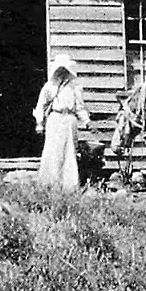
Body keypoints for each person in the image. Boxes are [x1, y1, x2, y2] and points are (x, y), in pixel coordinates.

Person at [33, 54, 90, 191]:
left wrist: (87, 121)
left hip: (69, 119)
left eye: (65, 70)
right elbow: (41, 105)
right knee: (53, 152)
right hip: (55, 119)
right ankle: (51, 184)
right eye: (60, 69)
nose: (62, 73)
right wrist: (40, 123)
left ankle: (69, 185)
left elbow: (80, 107)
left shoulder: (75, 87)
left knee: (70, 152)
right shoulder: (49, 86)